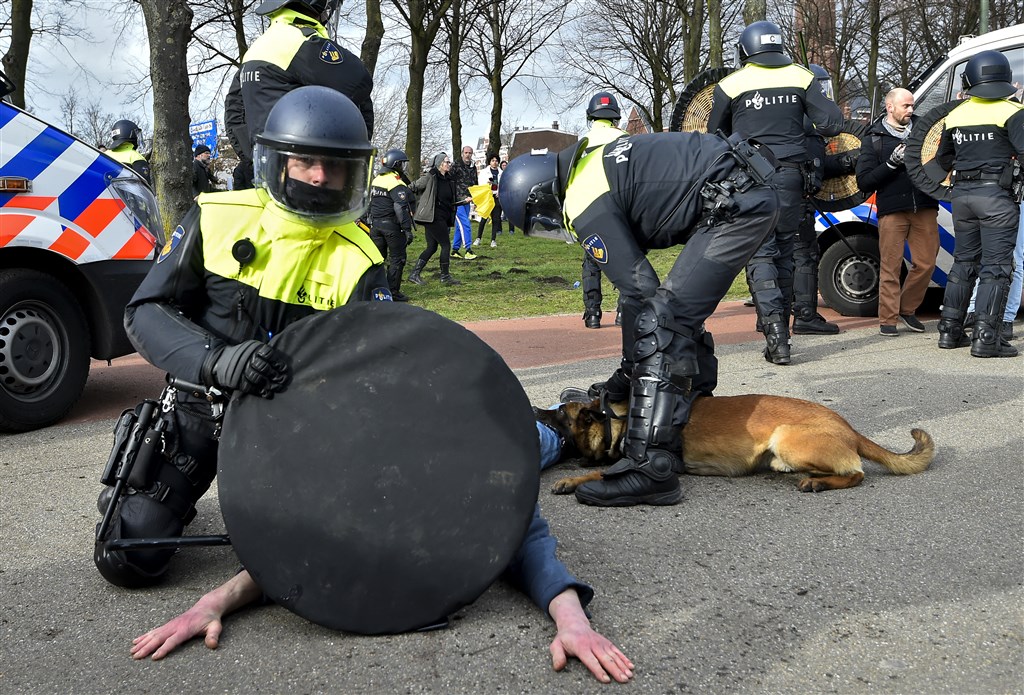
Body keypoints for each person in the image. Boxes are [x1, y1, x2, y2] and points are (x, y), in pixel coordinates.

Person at [94, 86, 389, 588]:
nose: (320, 176)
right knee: (128, 554)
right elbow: (144, 311)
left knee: (310, 567)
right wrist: (217, 361)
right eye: (305, 161)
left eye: (335, 166)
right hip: (197, 417)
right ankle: (153, 490)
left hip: (293, 432)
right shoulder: (216, 215)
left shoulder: (363, 259)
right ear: (277, 161)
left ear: (353, 172)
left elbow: (371, 371)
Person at [129, 420, 635, 685]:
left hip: (511, 433)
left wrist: (572, 620)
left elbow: (528, 540)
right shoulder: (362, 473)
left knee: (545, 441)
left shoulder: (482, 465)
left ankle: (562, 427)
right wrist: (213, 601)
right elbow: (312, 549)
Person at [500, 130, 780, 507]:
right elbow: (633, 298)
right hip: (742, 193)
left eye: (542, 222)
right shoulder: (595, 166)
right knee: (668, 312)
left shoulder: (582, 200)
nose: (553, 228)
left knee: (663, 318)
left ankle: (650, 468)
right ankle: (686, 417)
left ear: (543, 195)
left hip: (734, 206)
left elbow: (641, 292)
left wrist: (634, 370)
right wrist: (626, 375)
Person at [707, 21, 844, 364]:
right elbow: (832, 124)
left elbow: (715, 137)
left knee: (760, 256)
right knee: (785, 253)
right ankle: (782, 336)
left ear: (745, 50)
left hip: (748, 179)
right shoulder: (801, 77)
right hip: (790, 179)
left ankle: (776, 338)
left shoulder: (730, 84)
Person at [224, 0, 373, 190]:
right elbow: (359, 82)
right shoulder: (297, 41)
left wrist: (258, 160)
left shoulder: (257, 47)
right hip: (307, 175)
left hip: (268, 175)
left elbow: (234, 115)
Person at [934, 50, 1024, 358]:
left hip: (962, 197)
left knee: (963, 263)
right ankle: (987, 338)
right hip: (997, 198)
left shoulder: (956, 114)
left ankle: (949, 331)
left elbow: (942, 158)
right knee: (996, 268)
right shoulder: (1013, 111)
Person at [855, 87, 939, 337]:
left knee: (926, 263)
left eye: (912, 106)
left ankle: (907, 308)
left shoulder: (925, 132)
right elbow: (864, 181)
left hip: (924, 206)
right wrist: (891, 164)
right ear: (890, 107)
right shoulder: (873, 138)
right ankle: (888, 318)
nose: (911, 110)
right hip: (891, 210)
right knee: (890, 266)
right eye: (906, 106)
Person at [790, 65, 854, 336]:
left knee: (775, 254)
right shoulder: (805, 121)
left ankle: (772, 316)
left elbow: (815, 165)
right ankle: (805, 315)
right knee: (804, 253)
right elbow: (807, 163)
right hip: (795, 198)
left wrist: (844, 162)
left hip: (779, 196)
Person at [580, 92, 628, 330]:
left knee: (592, 261)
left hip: (593, 209)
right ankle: (623, 312)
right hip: (621, 206)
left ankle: (592, 314)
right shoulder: (626, 139)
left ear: (591, 116)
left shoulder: (583, 143)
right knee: (627, 259)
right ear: (615, 117)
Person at [407, 153, 462, 286]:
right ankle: (445, 276)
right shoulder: (430, 176)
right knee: (446, 245)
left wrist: (464, 200)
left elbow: (451, 199)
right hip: (432, 217)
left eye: (449, 162)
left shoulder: (449, 179)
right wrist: (411, 202)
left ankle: (414, 274)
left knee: (432, 247)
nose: (449, 164)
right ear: (440, 164)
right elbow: (412, 187)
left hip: (443, 216)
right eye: (447, 162)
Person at [369, 149, 415, 301]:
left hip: (375, 226)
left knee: (377, 259)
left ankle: (373, 290)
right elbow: (400, 207)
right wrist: (407, 229)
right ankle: (393, 293)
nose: (403, 167)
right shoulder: (395, 182)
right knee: (398, 258)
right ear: (395, 164)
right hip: (391, 227)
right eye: (402, 164)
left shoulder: (377, 180)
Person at [450, 145, 478, 259]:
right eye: (466, 152)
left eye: (470, 153)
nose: (468, 155)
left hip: (468, 200)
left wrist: (475, 198)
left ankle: (455, 250)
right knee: (466, 224)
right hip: (457, 201)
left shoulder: (473, 167)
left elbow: (475, 183)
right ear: (462, 153)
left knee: (459, 226)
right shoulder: (455, 166)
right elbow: (450, 182)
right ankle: (468, 250)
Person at [106, 119, 151, 185]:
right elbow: (145, 187)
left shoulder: (104, 155)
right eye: (136, 133)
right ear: (130, 134)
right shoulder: (135, 157)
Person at [474, 154, 504, 247]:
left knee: (496, 219)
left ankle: (493, 240)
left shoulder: (501, 173)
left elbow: (504, 184)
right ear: (489, 162)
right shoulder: (484, 172)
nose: (494, 162)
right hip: (488, 197)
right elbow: (481, 184)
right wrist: (488, 186)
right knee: (484, 218)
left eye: (496, 161)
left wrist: (499, 190)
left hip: (497, 197)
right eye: (492, 160)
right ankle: (478, 238)